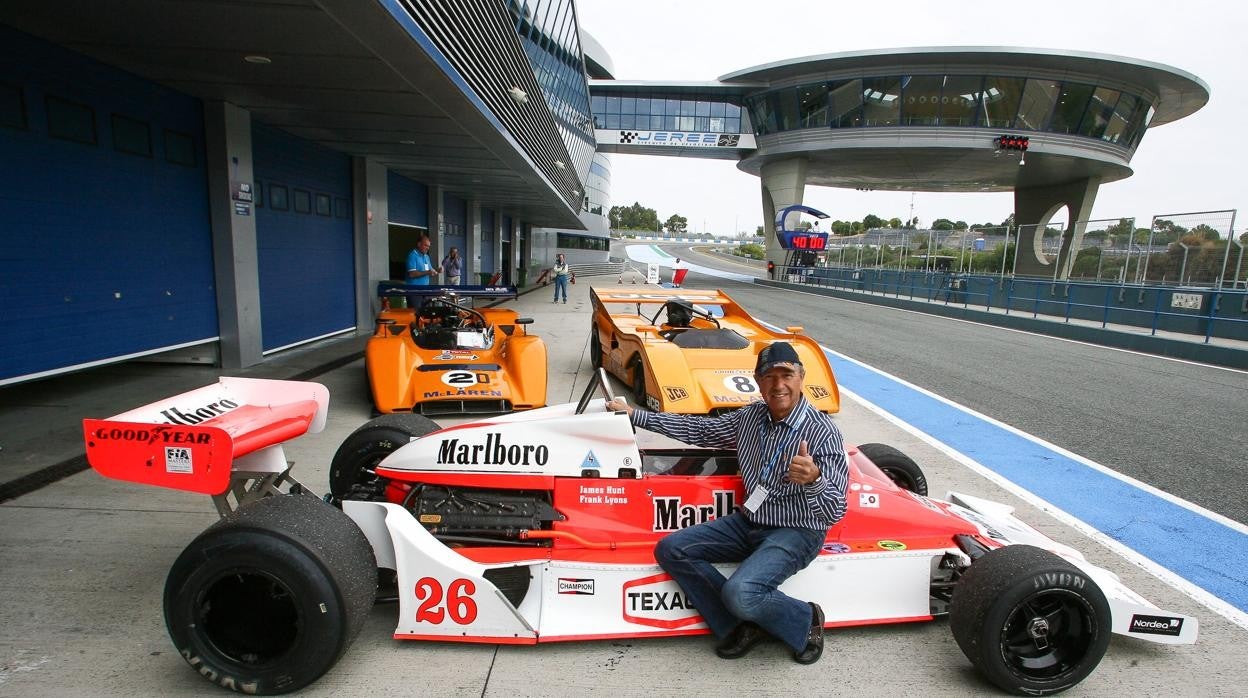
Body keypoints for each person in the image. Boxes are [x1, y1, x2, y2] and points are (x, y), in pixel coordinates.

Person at [606, 341, 848, 665]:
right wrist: (637, 416)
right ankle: (739, 625)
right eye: (769, 376)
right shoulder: (750, 417)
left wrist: (815, 480)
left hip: (798, 530)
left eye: (786, 375)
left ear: (801, 376)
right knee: (670, 549)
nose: (778, 385)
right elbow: (699, 430)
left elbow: (835, 511)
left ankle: (806, 620)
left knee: (741, 592)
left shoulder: (822, 432)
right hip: (750, 520)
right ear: (757, 381)